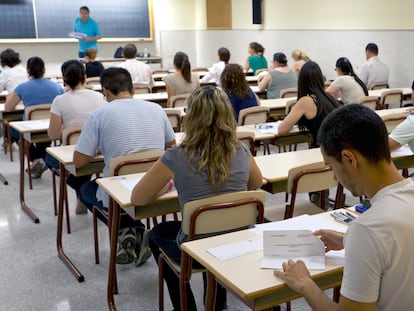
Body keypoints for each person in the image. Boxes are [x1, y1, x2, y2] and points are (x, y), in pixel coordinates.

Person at [130, 86, 263, 311]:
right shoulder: (241, 151)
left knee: (156, 234)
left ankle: (185, 307)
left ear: (190, 117)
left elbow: (138, 198)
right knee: (216, 225)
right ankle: (217, 303)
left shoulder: (176, 156)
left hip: (195, 252)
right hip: (239, 241)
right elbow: (256, 185)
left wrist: (168, 185)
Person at [274, 104, 414, 310]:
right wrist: (348, 239)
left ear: (349, 159)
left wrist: (305, 284)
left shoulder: (368, 229)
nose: (334, 177)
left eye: (332, 166)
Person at [73, 67, 175, 266]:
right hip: (156, 185)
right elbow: (172, 148)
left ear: (106, 92)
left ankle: (128, 228)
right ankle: (134, 229)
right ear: (133, 90)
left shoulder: (98, 115)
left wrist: (100, 148)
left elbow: (79, 162)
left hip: (119, 189)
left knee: (85, 188)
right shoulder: (156, 109)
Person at [46, 60, 106, 214]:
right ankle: (83, 197)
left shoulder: (59, 101)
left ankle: (81, 194)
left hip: (74, 153)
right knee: (83, 162)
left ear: (64, 79)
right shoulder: (99, 97)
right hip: (98, 151)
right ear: (85, 76)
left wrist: (69, 133)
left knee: (50, 158)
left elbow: (52, 135)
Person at [5, 56, 64, 178]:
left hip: (30, 128)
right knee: (46, 131)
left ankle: (36, 158)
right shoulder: (56, 87)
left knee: (13, 131)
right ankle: (43, 158)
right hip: (52, 127)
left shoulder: (22, 87)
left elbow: (8, 108)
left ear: (28, 70)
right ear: (44, 69)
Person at [278, 61, 340, 147]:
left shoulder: (305, 101)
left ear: (301, 80)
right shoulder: (330, 97)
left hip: (323, 150)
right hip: (337, 147)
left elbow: (282, 129)